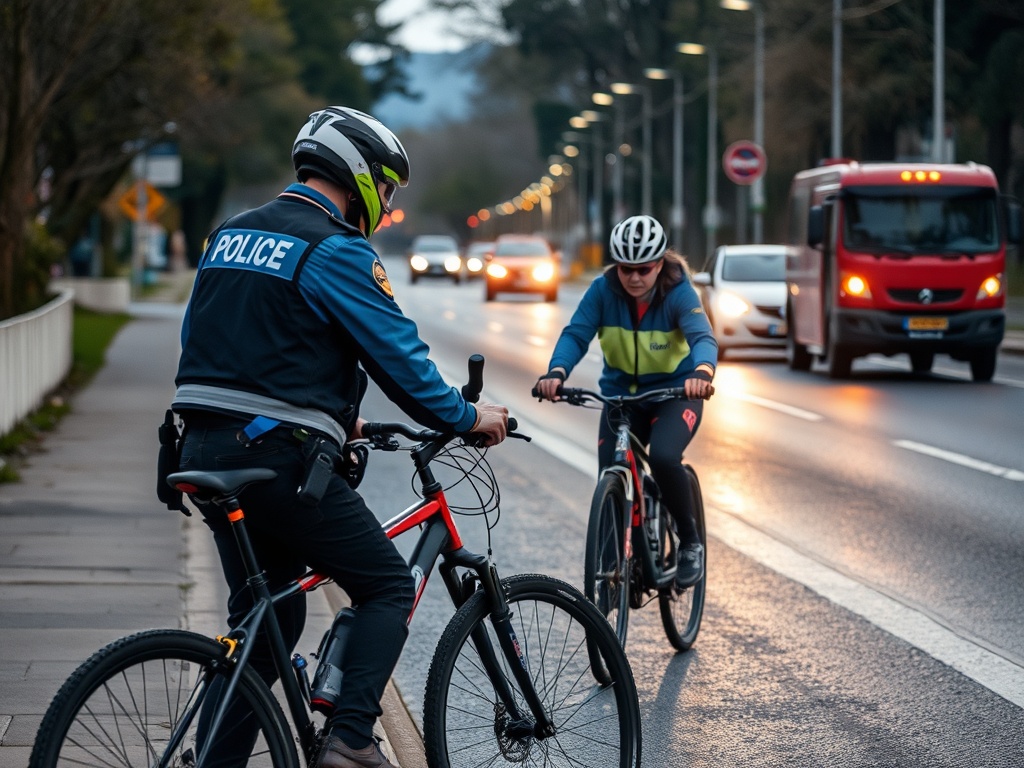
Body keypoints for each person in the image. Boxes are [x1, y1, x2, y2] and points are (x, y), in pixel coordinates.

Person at [171, 106, 508, 768]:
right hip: (274, 461)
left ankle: (215, 761)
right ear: (361, 176)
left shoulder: (229, 235)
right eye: (386, 188)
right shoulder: (334, 248)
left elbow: (209, 345)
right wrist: (467, 418)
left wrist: (324, 408)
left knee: (270, 623)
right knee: (384, 584)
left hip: (200, 449)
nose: (384, 203)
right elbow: (402, 361)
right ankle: (352, 739)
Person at [535, 214, 717, 587]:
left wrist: (701, 374)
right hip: (621, 399)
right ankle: (610, 571)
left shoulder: (679, 292)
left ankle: (690, 543)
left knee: (666, 458)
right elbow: (576, 334)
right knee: (610, 476)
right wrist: (556, 373)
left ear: (660, 264)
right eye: (625, 269)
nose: (634, 278)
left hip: (674, 393)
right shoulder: (603, 291)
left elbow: (703, 337)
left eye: (644, 270)